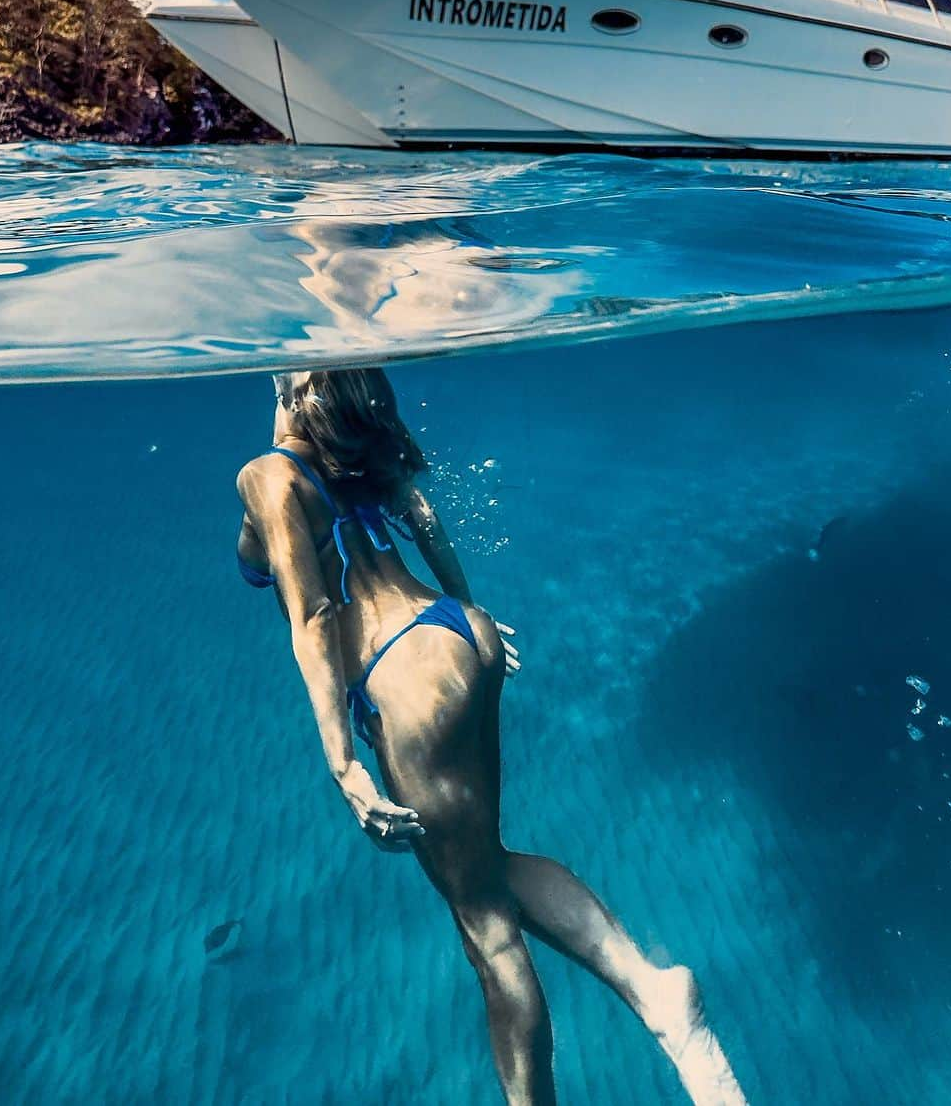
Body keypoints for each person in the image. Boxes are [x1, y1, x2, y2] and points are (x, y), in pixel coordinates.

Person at [236, 367, 747, 1106]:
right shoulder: (348, 448)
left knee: (484, 926)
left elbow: (312, 616)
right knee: (490, 867)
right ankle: (657, 992)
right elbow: (425, 521)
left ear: (285, 377)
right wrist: (468, 613)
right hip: (454, 632)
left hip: (404, 678)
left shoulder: (269, 475)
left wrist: (344, 762)